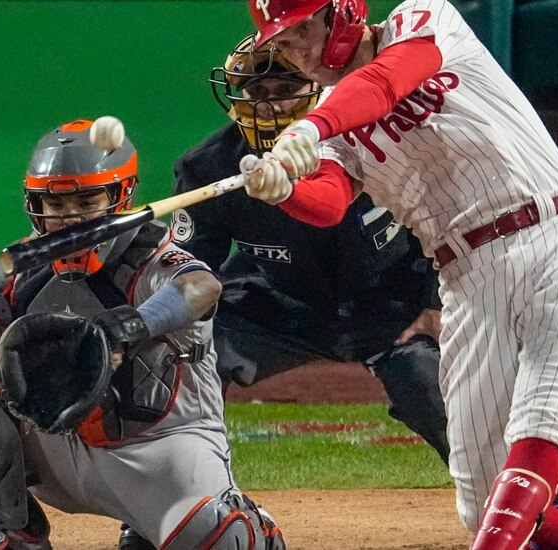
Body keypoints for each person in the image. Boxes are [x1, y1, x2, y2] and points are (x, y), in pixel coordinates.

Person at [239, 1, 558, 549]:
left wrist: (311, 124)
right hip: (468, 279)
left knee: (542, 419)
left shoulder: (423, 18)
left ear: (344, 12)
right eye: (282, 44)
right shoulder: (328, 127)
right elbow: (327, 203)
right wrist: (287, 192)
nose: (296, 51)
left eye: (303, 29)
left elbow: (387, 78)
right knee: (482, 503)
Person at [0, 119, 285, 550]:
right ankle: (6, 528)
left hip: (159, 453)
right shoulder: (23, 264)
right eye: (54, 203)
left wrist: (125, 328)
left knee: (226, 541)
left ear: (120, 195)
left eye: (87, 199)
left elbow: (201, 288)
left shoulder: (152, 255)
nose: (68, 215)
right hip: (55, 448)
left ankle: (213, 523)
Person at [171, 33, 451, 464]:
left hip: (392, 304)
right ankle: (173, 507)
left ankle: (526, 507)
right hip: (279, 305)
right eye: (256, 92)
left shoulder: (381, 145)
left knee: (432, 390)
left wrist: (436, 302)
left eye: (286, 90)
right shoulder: (208, 168)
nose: (269, 104)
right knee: (187, 361)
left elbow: (448, 221)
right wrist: (156, 327)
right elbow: (186, 268)